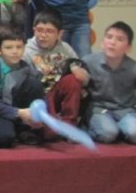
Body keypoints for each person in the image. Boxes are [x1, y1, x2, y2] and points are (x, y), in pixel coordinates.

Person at [23, 10, 89, 140]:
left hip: (59, 92)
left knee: (72, 80)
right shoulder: (26, 51)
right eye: (39, 30)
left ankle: (69, 126)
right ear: (33, 30)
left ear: (60, 34)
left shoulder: (65, 48)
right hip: (40, 96)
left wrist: (81, 74)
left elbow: (84, 78)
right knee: (51, 135)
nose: (43, 35)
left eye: (49, 31)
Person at [0, 27, 46, 148]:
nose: (15, 51)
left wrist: (38, 116)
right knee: (5, 138)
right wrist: (18, 113)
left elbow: (38, 91)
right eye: (9, 47)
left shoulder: (25, 66)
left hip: (16, 108)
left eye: (19, 47)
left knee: (35, 84)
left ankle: (25, 129)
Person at [83, 22, 136, 144]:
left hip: (125, 110)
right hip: (99, 109)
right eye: (109, 37)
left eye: (120, 39)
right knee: (108, 134)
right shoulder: (89, 62)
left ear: (128, 48)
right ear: (102, 43)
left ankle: (120, 130)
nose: (112, 42)